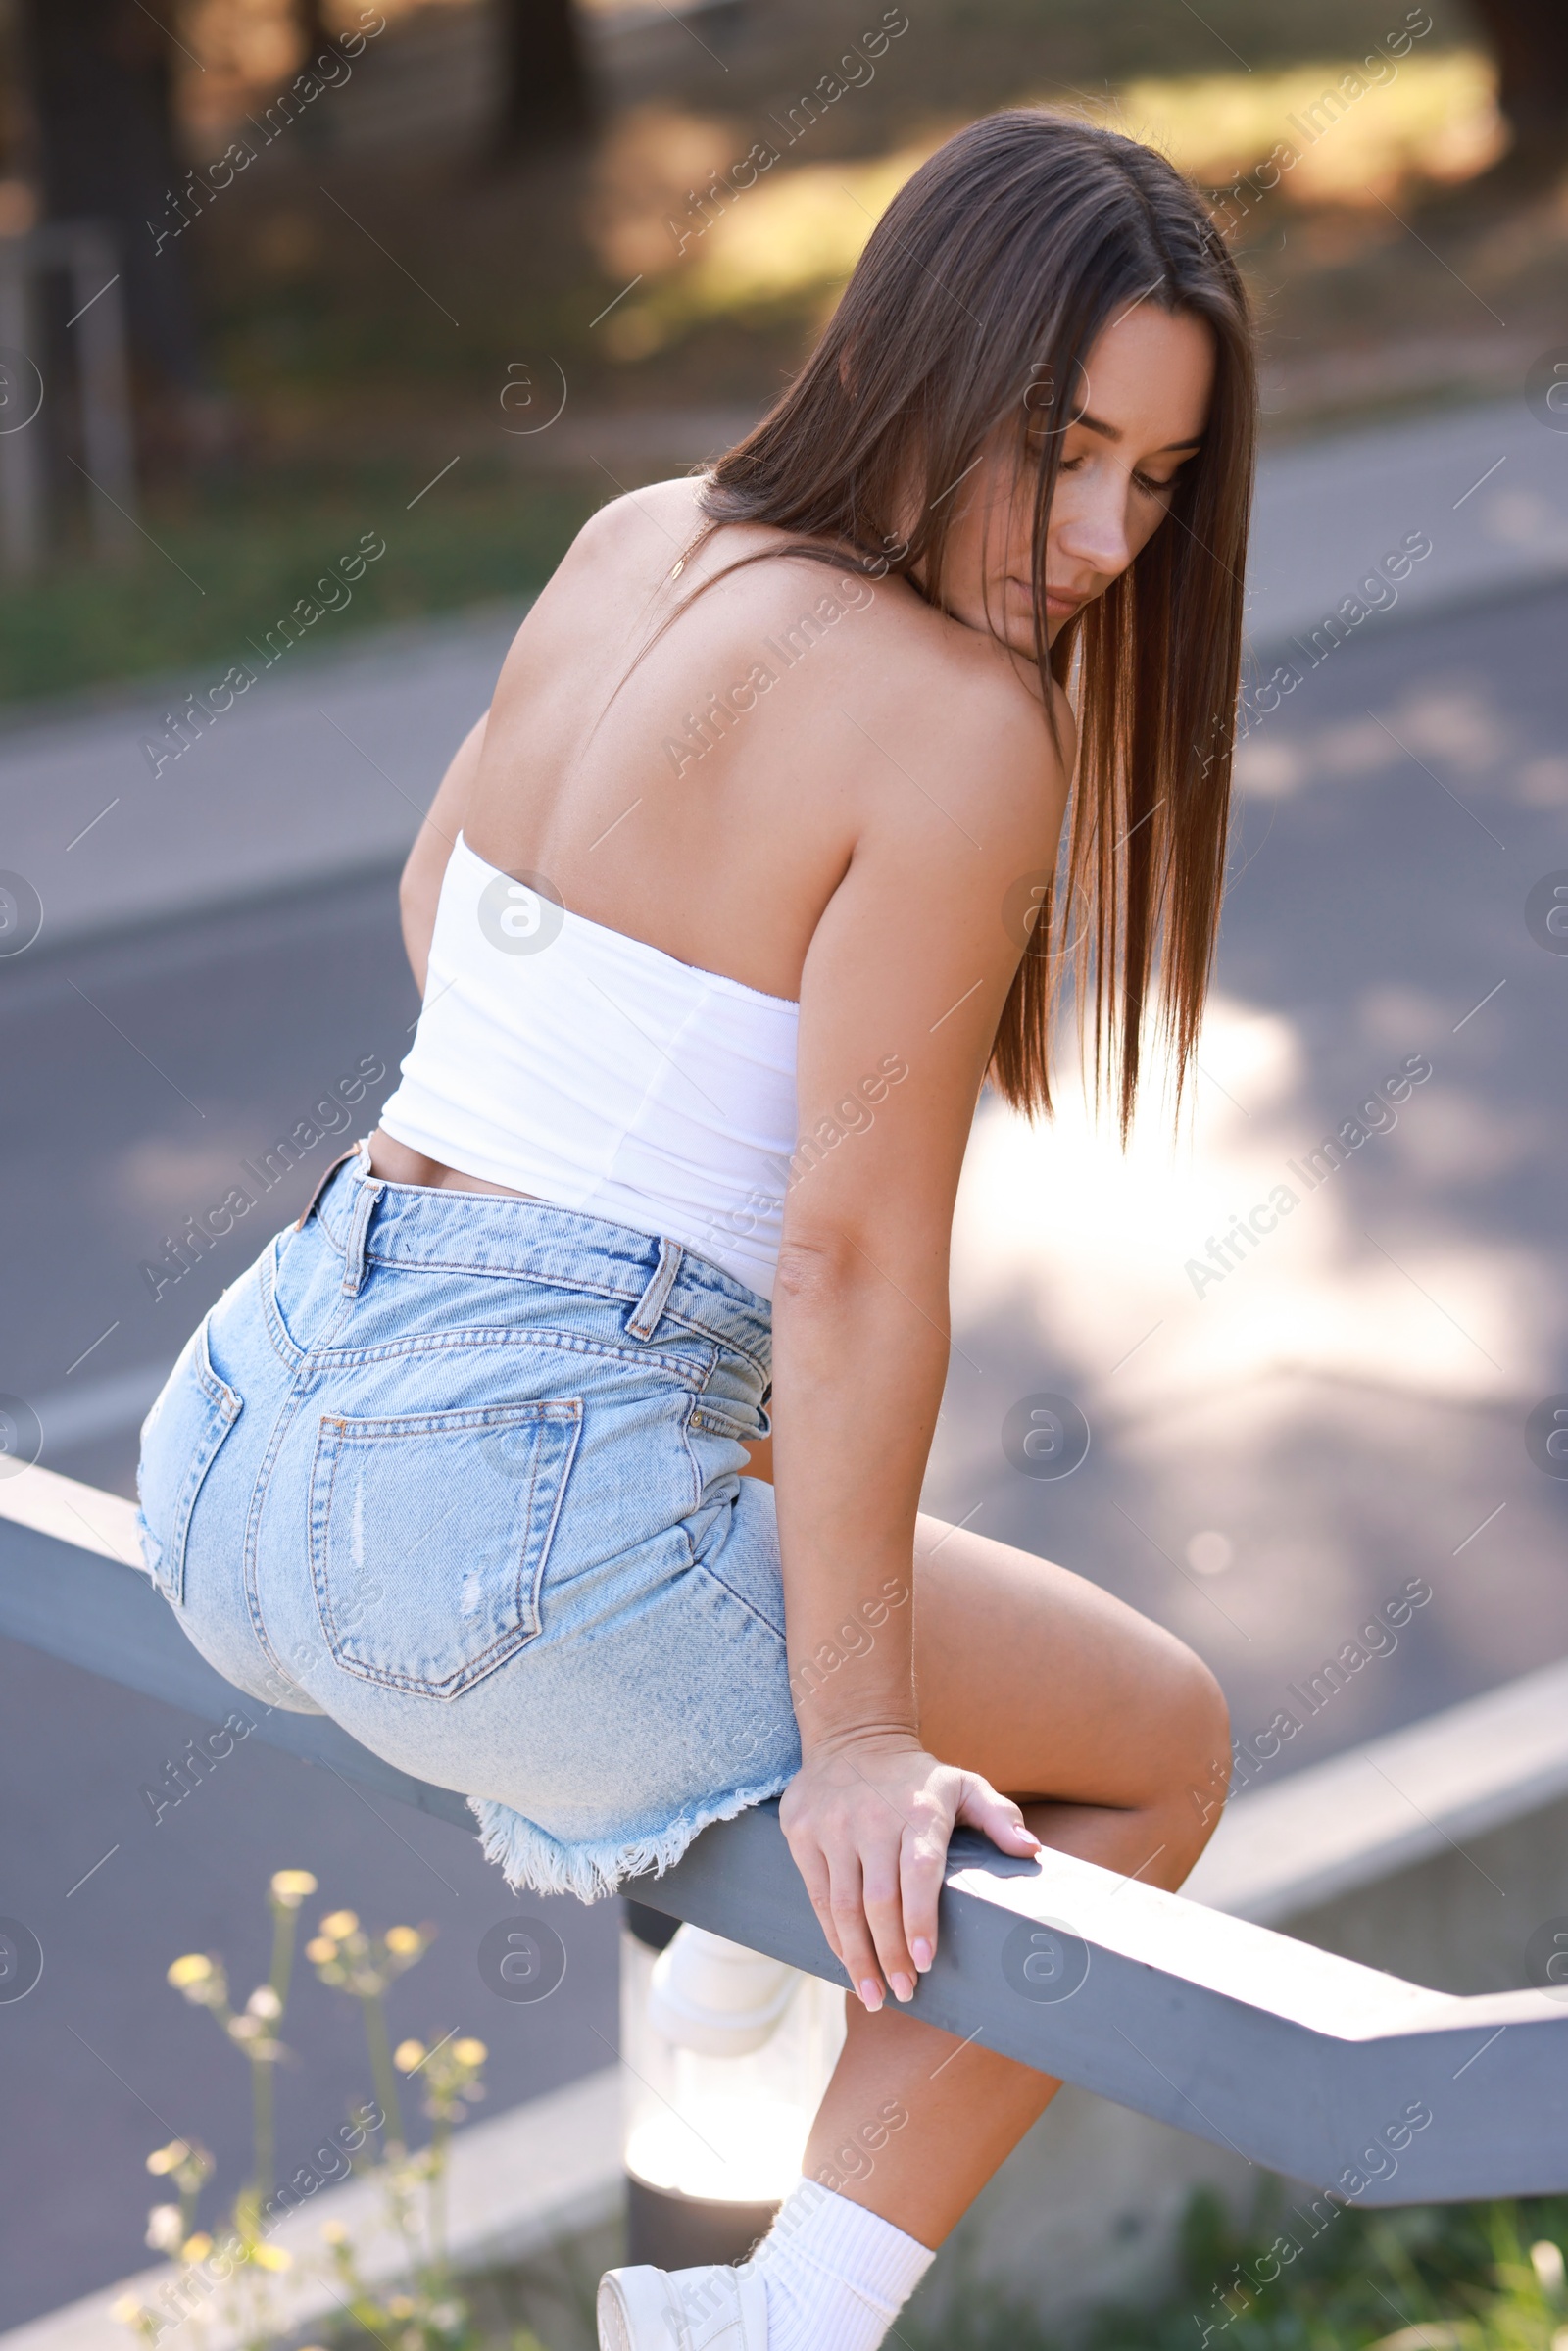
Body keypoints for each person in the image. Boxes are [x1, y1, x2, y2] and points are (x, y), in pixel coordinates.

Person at [137, 107, 1255, 2351]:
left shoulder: (641, 534)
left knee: (726, 1485)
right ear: (927, 355)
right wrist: (852, 1744)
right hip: (481, 1533)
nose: (1104, 537)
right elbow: (845, 1267)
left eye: (1152, 480)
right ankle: (765, 2324)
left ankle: (730, 1950)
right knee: (1152, 1745)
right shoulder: (959, 723)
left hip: (239, 1441)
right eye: (1061, 450)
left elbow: (433, 906)